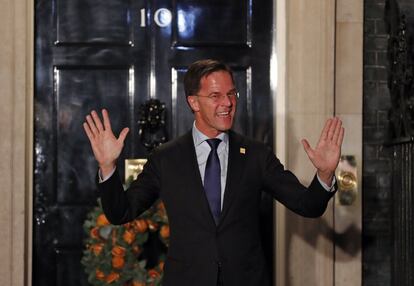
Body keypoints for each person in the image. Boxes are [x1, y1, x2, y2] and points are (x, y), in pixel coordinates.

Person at [83, 59, 344, 286]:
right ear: (193, 102)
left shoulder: (255, 155)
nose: (228, 103)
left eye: (232, 94)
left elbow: (308, 205)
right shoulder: (166, 158)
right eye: (216, 96)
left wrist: (324, 175)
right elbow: (121, 212)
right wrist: (108, 167)